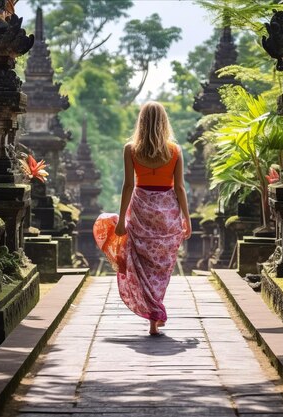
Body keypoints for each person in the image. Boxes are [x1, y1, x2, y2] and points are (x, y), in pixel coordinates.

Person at [93, 101, 192, 336]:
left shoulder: (131, 149)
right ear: (164, 122)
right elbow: (179, 187)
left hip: (141, 210)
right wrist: (186, 218)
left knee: (143, 264)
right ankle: (155, 315)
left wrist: (120, 223)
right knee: (162, 266)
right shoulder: (175, 151)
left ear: (141, 122)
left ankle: (153, 315)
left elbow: (128, 186)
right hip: (167, 212)